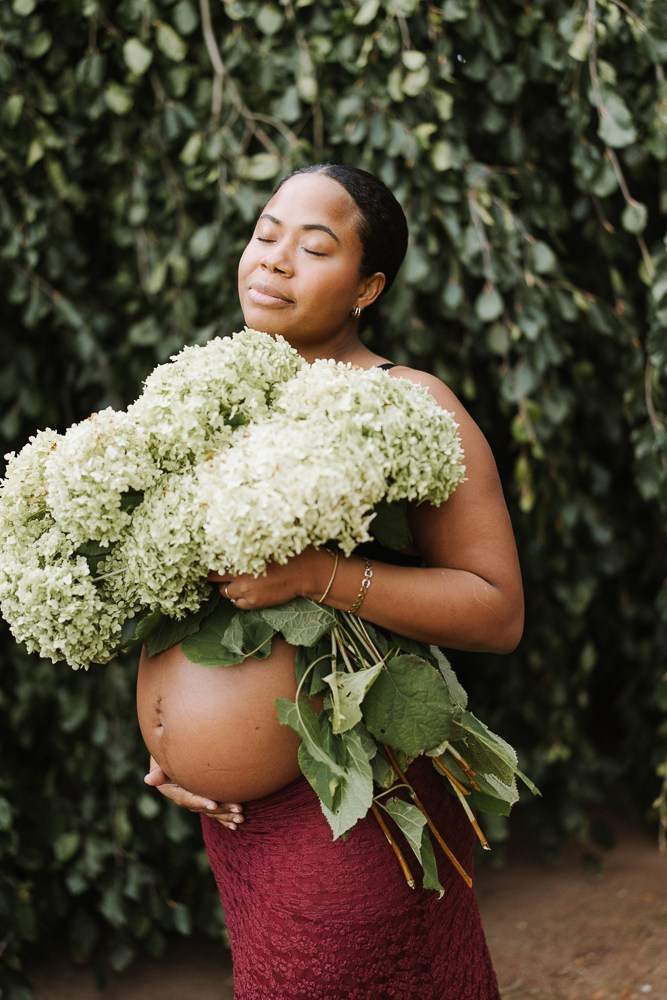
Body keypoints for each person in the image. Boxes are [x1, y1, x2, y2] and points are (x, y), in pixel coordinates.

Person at [143, 163, 524, 999]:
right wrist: (169, 738)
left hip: (353, 808)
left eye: (314, 248)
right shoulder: (211, 399)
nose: (275, 260)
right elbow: (189, 593)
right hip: (243, 828)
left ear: (367, 287)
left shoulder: (409, 402)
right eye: (265, 233)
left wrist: (320, 575)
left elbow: (495, 611)